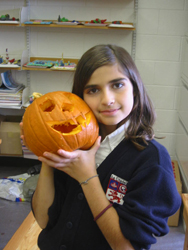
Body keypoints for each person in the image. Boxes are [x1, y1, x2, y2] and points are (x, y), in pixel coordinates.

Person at [20, 44, 181, 250]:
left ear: (135, 87)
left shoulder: (152, 160)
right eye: (93, 90)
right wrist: (46, 148)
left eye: (117, 85)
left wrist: (87, 178)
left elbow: (125, 247)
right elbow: (44, 220)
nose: (107, 100)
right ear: (81, 97)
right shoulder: (73, 144)